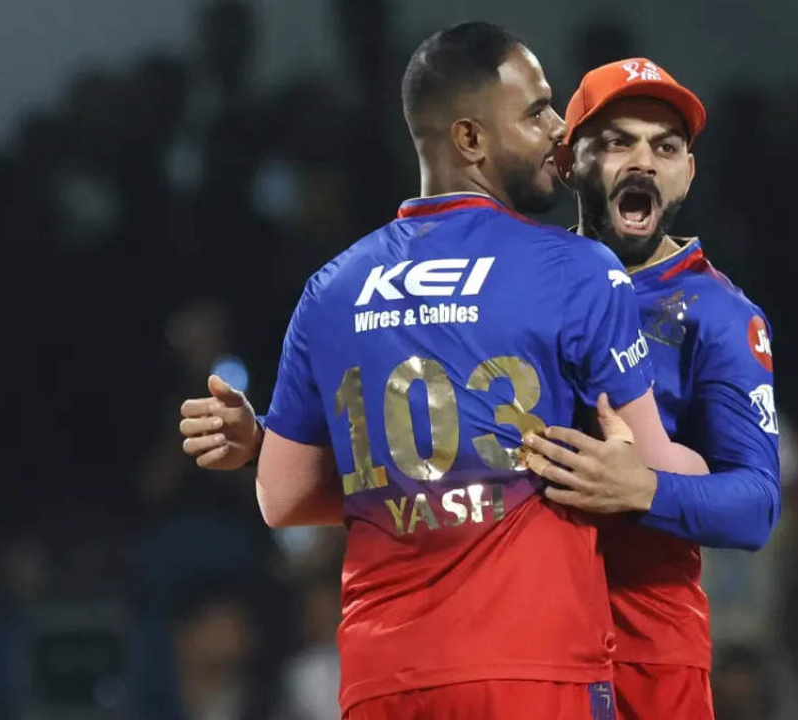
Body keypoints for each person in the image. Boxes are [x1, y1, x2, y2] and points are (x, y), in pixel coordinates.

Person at [178, 22, 706, 720]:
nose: (559, 128)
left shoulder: (332, 288)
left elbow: (282, 499)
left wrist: (265, 444)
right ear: (470, 139)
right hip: (531, 673)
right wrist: (727, 471)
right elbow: (653, 472)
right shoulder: (576, 268)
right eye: (536, 112)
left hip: (384, 680)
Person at [522, 58, 782, 720]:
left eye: (665, 148)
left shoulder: (721, 314)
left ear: (687, 174)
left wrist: (642, 489)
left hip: (646, 659)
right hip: (520, 643)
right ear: (568, 161)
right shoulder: (518, 283)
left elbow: (757, 504)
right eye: (618, 141)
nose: (643, 161)